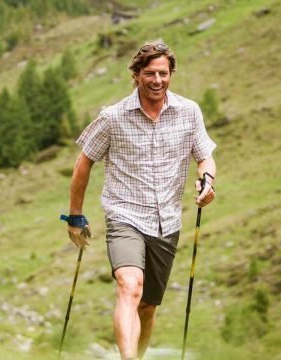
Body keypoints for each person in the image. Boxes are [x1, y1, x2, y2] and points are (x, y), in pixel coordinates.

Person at [64, 41, 217, 359]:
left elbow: (205, 158)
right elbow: (83, 163)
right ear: (136, 75)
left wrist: (207, 180)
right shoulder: (113, 117)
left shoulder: (188, 112)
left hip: (168, 221)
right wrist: (76, 216)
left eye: (163, 73)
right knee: (129, 285)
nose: (157, 80)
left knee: (147, 307)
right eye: (150, 73)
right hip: (124, 216)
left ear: (171, 74)